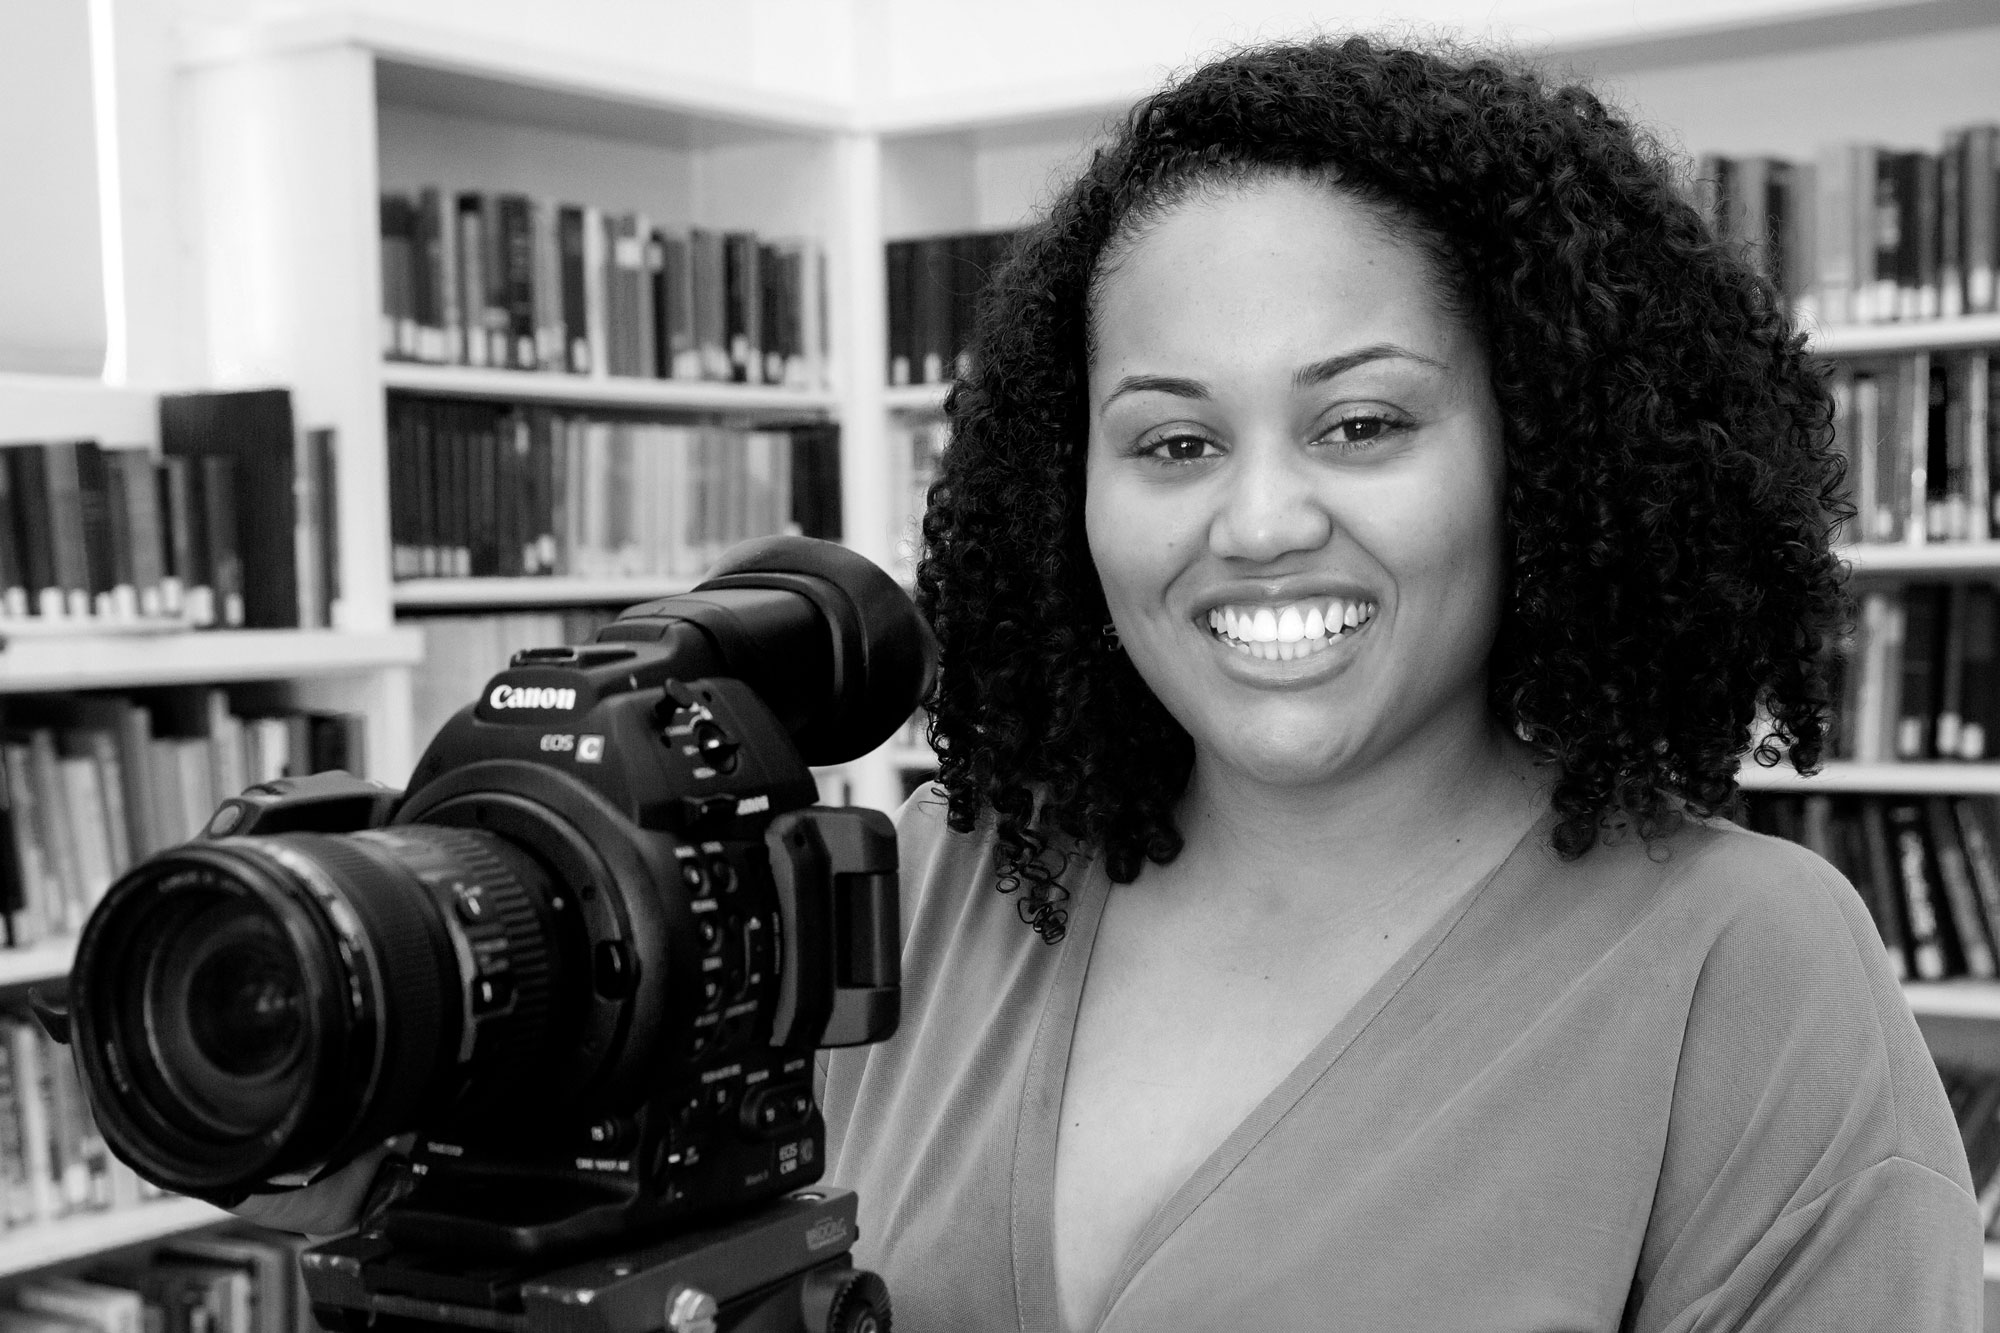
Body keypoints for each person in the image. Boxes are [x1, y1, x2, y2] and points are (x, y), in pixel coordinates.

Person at [818, 34, 1985, 1333]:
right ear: (1069, 487)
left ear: (1540, 453)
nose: (1257, 523)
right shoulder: (926, 890)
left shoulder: (1749, 970)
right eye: (1175, 441)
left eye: (1361, 424)